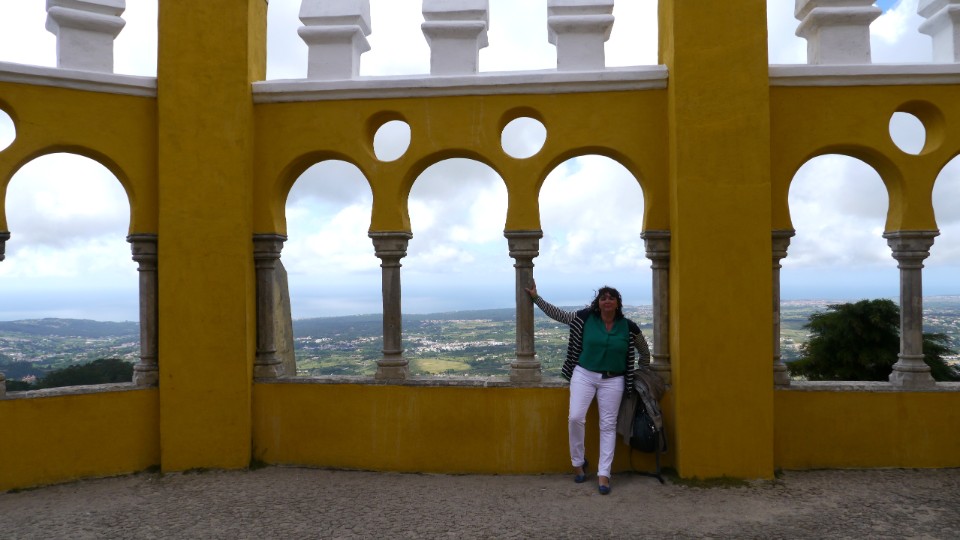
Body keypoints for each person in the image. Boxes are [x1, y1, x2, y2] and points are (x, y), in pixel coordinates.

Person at [525, 280, 650, 495]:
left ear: (618, 303)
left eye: (611, 298)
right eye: (603, 297)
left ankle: (604, 474)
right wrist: (536, 298)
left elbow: (644, 351)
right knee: (575, 417)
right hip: (584, 374)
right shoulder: (584, 318)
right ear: (598, 303)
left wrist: (642, 374)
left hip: (614, 379)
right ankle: (578, 462)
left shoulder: (629, 327)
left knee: (608, 426)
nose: (607, 300)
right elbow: (559, 315)